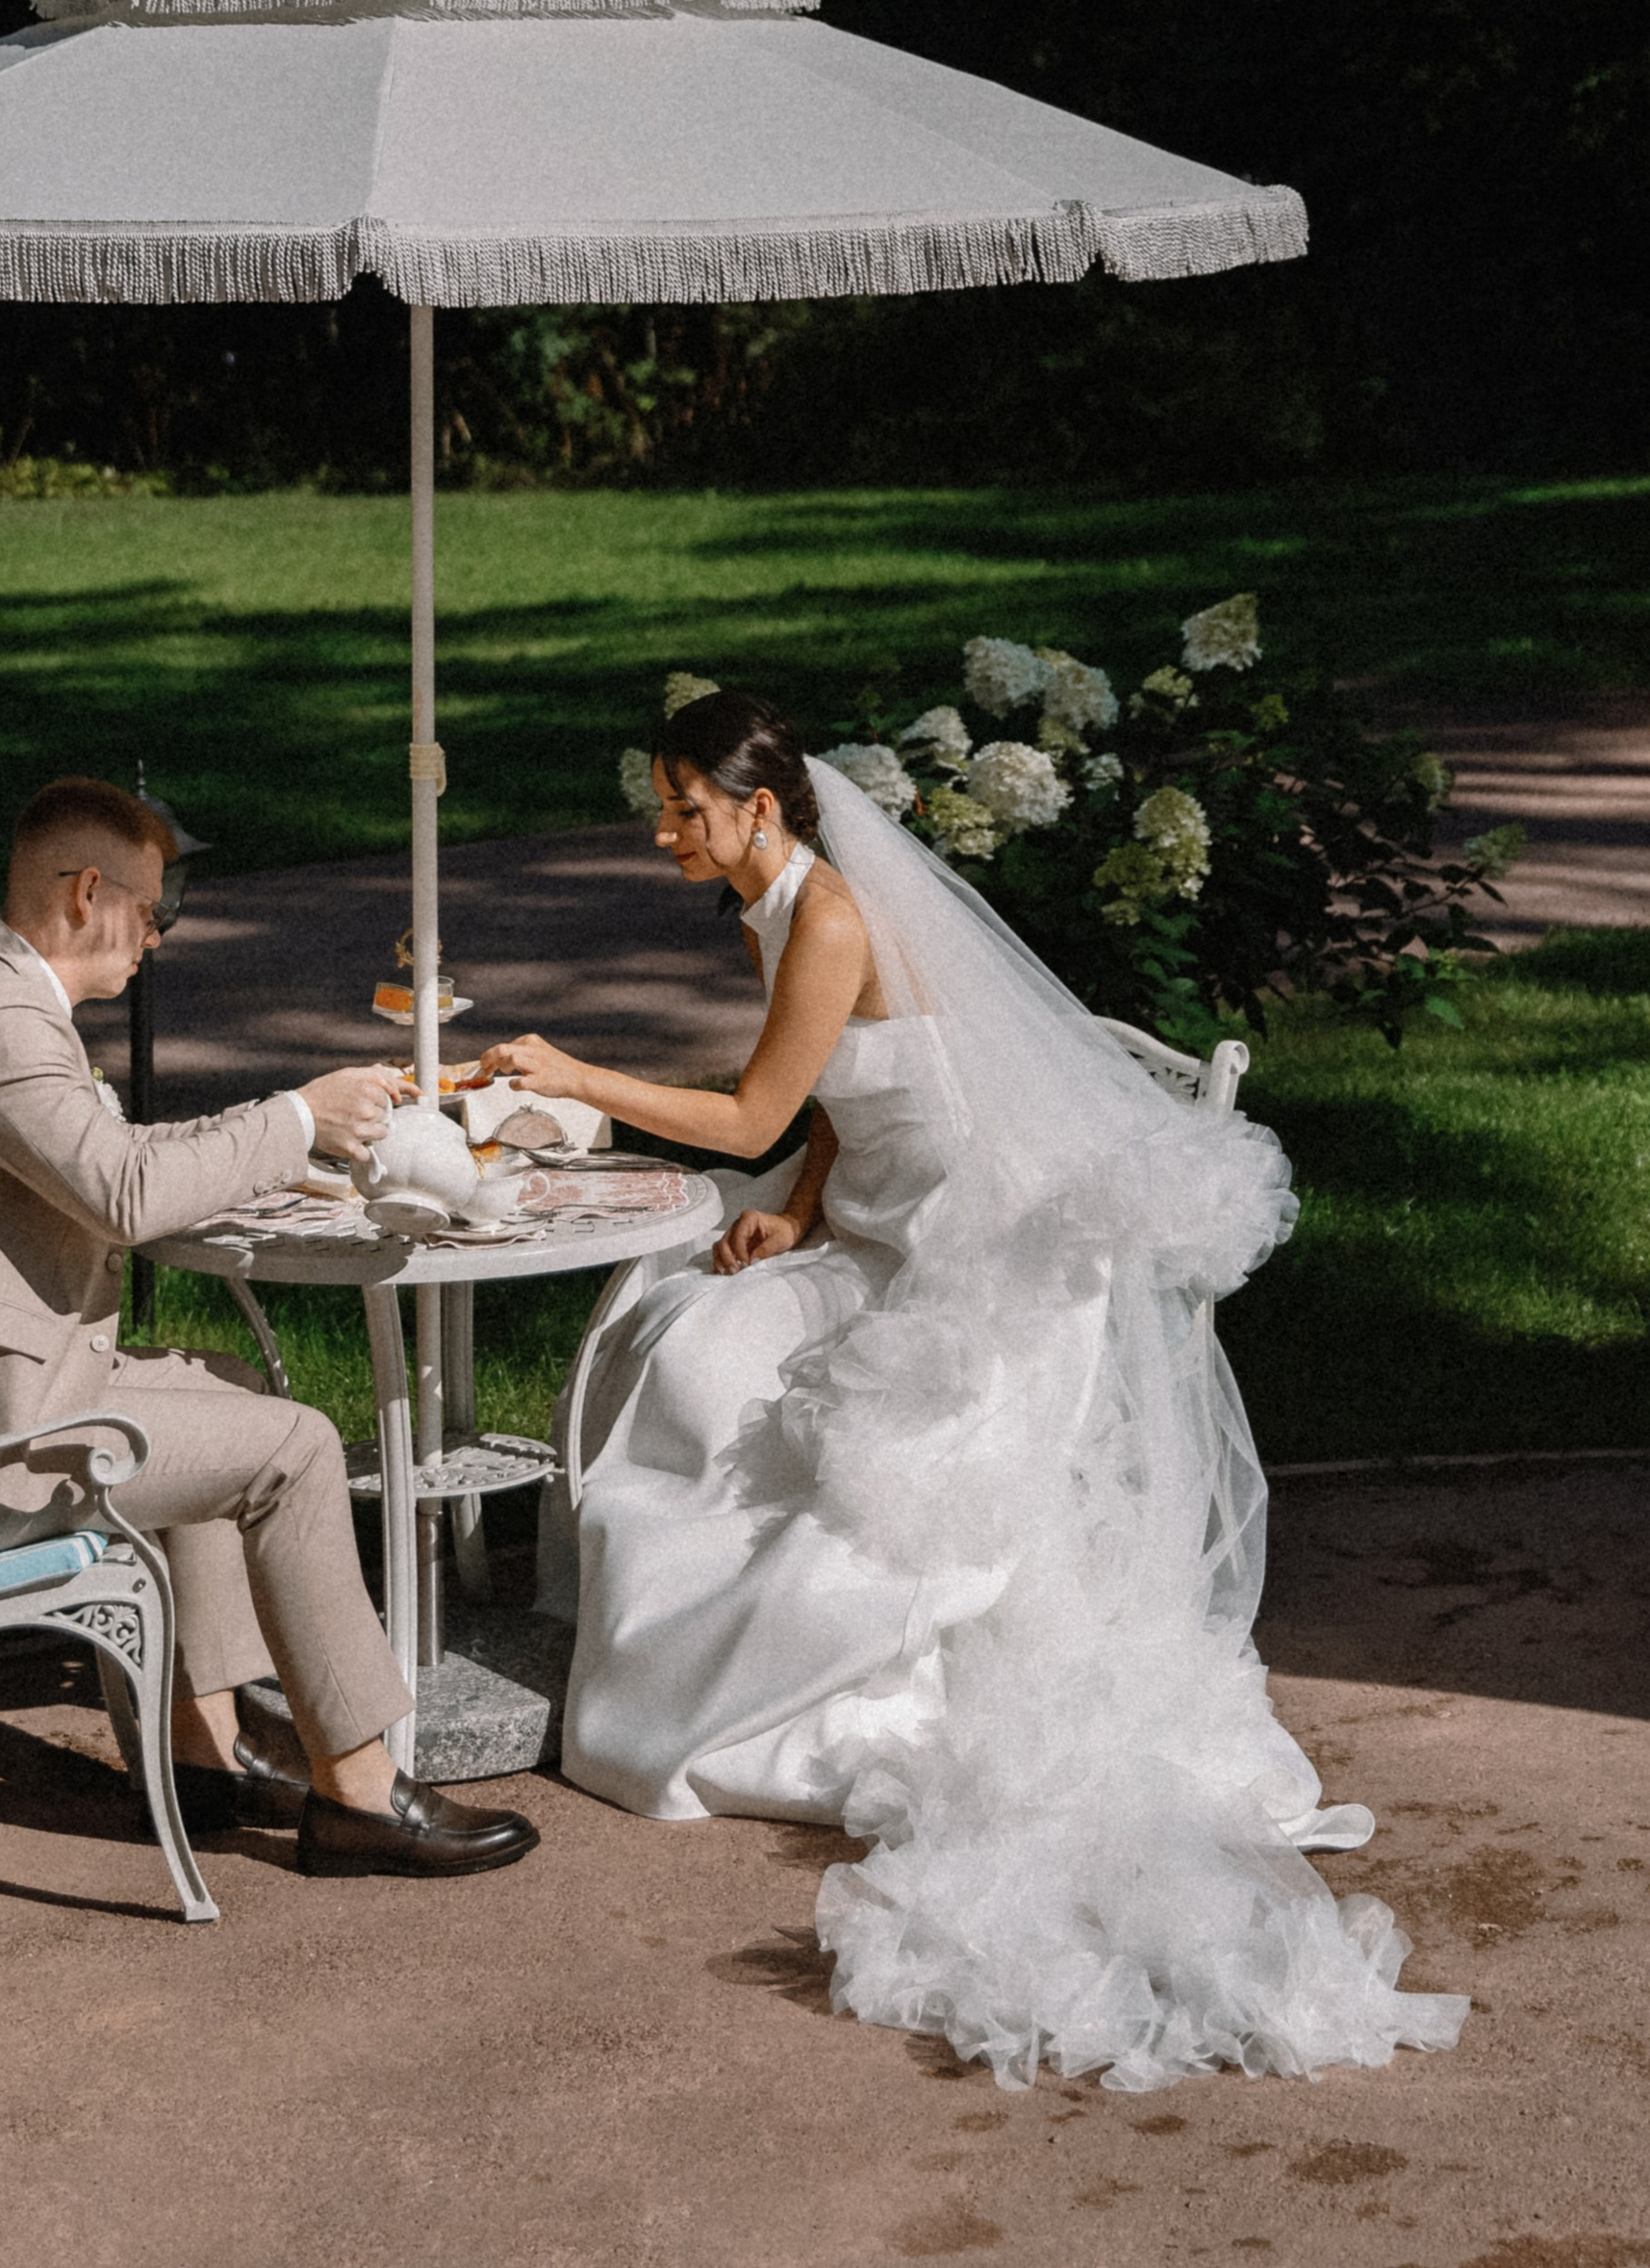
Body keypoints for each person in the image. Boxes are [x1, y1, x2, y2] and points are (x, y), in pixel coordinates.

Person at [481, 688, 1465, 2089]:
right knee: (686, 1331)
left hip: (974, 1263)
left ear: (757, 809)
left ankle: (757, 1686)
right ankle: (646, 1636)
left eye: (683, 806)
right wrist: (805, 1210)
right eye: (664, 802)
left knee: (823, 1457)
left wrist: (575, 1073)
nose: (664, 829)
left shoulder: (821, 913)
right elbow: (824, 1107)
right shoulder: (776, 904)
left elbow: (754, 1113)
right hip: (877, 1227)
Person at [0, 774, 536, 1880]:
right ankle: (360, 1792)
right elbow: (127, 1197)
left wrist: (283, 1136)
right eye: (152, 910)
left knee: (229, 1383)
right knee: (293, 1448)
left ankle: (200, 1751)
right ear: (86, 893)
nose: (158, 934)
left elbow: (118, 1172)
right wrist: (296, 1119)